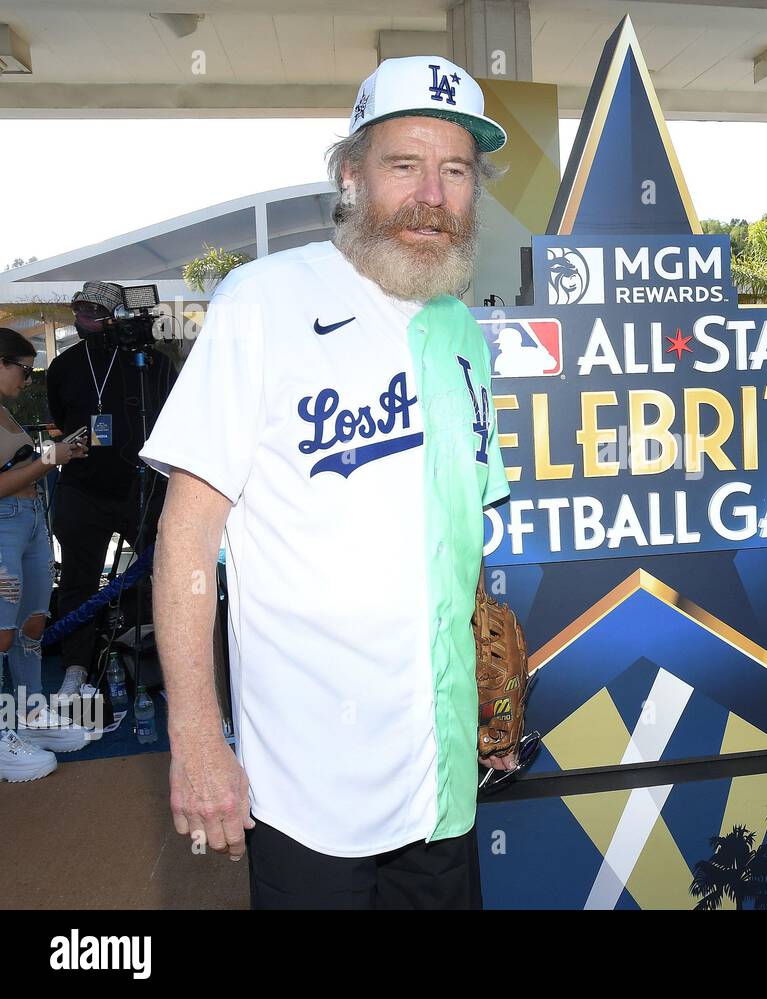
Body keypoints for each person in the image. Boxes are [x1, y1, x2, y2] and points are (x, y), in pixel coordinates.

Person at [140, 55, 511, 909]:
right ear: (351, 175)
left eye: (455, 170)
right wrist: (196, 729)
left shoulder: (462, 331)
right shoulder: (261, 301)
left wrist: (484, 674)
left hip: (442, 778)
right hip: (309, 787)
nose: (432, 194)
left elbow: (459, 529)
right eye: (404, 164)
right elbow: (187, 534)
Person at [45, 281, 176, 698]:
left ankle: (170, 663)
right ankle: (76, 668)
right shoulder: (63, 367)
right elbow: (61, 423)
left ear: (117, 315)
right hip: (83, 491)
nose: (87, 317)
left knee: (166, 576)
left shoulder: (152, 363)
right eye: (81, 309)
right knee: (78, 581)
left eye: (97, 310)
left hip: (145, 488)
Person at [0, 327, 91, 782]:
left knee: (32, 624)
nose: (29, 379)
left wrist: (46, 459)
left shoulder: (5, 412)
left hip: (30, 521)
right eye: (24, 368)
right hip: (5, 525)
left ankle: (29, 714)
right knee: (1, 632)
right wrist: (48, 460)